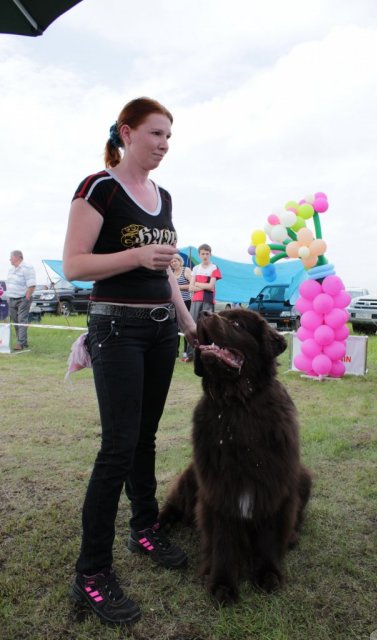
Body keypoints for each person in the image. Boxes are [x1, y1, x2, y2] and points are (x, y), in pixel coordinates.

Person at [62, 97, 197, 625]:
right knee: (116, 447)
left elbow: (165, 272)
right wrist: (135, 255)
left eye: (169, 136)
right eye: (156, 134)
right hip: (116, 328)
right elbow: (75, 263)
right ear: (127, 132)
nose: (164, 144)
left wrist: (188, 323)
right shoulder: (99, 187)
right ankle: (91, 574)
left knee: (144, 438)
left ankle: (145, 529)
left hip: (162, 329)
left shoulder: (163, 196)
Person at [182, 243, 222, 362]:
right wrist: (201, 286)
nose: (205, 256)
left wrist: (198, 284)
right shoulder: (196, 268)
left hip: (208, 300)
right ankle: (190, 355)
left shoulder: (214, 268)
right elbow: (190, 287)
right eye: (203, 253)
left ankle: (207, 354)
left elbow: (210, 287)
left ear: (210, 254)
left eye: (207, 253)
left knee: (207, 327)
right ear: (199, 255)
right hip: (195, 300)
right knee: (192, 326)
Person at [6, 250, 36, 350]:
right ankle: (23, 341)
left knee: (21, 320)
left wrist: (28, 296)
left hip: (23, 298)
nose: (10, 259)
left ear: (17, 257)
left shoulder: (27, 267)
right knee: (15, 321)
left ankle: (20, 343)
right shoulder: (11, 270)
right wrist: (9, 296)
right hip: (12, 299)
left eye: (11, 257)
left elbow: (32, 284)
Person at [170, 253, 192, 358]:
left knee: (186, 326)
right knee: (175, 327)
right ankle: (175, 351)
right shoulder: (171, 274)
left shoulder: (186, 270)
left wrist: (178, 287)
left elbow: (192, 285)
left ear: (180, 261)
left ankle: (186, 351)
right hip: (174, 303)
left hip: (186, 301)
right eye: (172, 261)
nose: (174, 263)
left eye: (175, 261)